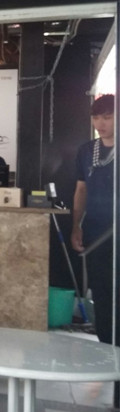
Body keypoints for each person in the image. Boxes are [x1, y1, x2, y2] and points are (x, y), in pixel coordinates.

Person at [71, 94, 117, 348]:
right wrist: (75, 226)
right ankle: (106, 345)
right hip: (96, 231)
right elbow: (81, 189)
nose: (101, 123)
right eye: (96, 117)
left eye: (107, 117)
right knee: (101, 290)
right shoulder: (87, 151)